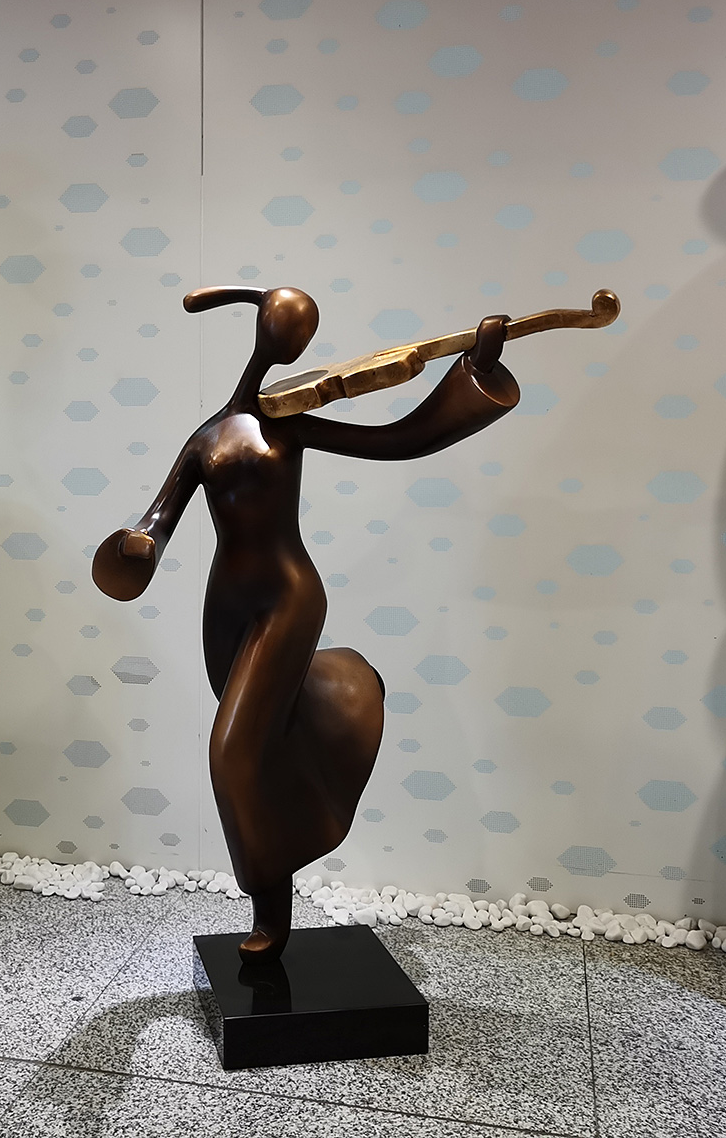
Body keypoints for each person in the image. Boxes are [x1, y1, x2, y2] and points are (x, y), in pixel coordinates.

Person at [92, 284, 519, 962]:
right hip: (226, 606)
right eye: (289, 330)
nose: (297, 345)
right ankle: (337, 714)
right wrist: (139, 544)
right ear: (265, 332)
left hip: (287, 599)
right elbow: (158, 519)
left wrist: (477, 369)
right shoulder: (206, 440)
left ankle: (270, 910)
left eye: (303, 334)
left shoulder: (291, 424)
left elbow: (401, 440)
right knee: (260, 747)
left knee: (232, 751)